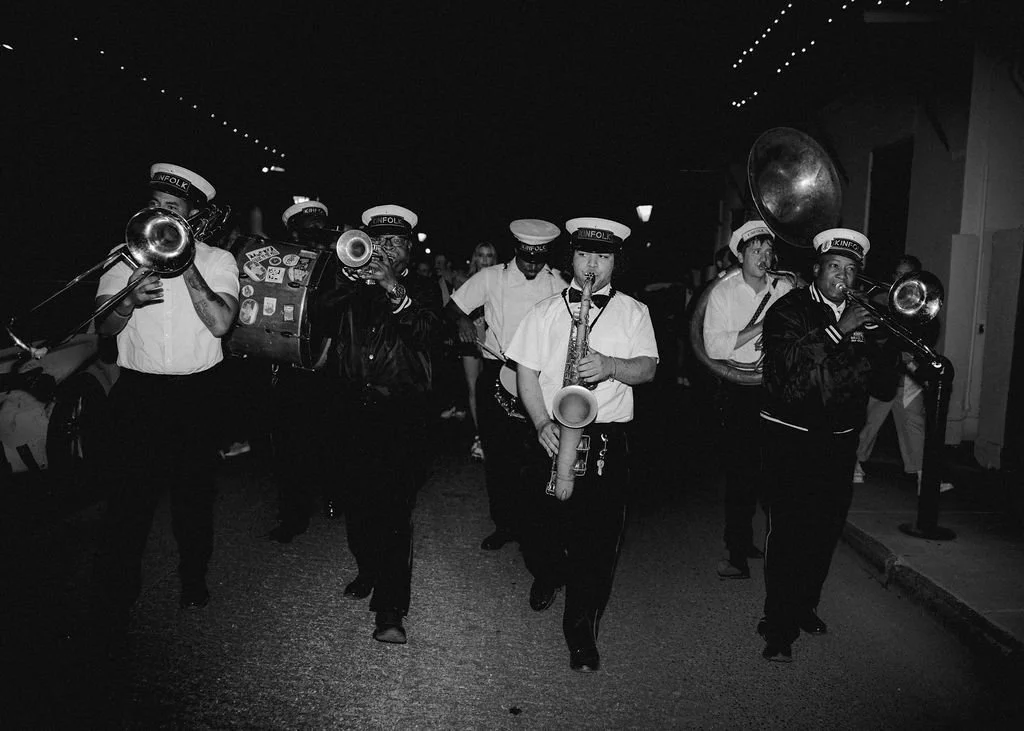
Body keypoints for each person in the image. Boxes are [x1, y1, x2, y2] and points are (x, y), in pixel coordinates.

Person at [507, 216, 658, 672]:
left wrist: (611, 365)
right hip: (550, 429)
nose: (592, 263)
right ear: (571, 257)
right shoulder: (546, 311)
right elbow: (526, 373)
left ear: (616, 263)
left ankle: (581, 630)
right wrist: (539, 423)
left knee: (597, 540)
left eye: (603, 256)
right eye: (585, 254)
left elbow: (647, 368)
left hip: (606, 435)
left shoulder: (634, 312)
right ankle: (548, 570)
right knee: (536, 525)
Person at [93, 163, 240, 617]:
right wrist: (128, 300)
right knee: (127, 502)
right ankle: (119, 591)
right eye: (154, 206)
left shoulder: (218, 260)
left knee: (192, 500)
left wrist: (186, 262)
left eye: (172, 208)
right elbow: (104, 325)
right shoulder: (124, 257)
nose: (161, 214)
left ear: (192, 217)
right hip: (139, 394)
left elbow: (220, 323)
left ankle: (193, 577)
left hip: (197, 396)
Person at [757, 228, 894, 662]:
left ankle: (804, 606)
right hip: (792, 438)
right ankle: (777, 628)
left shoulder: (865, 317)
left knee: (824, 532)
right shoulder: (789, 310)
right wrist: (840, 329)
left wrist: (886, 338)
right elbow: (785, 372)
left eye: (851, 270)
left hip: (839, 443)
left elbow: (886, 386)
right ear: (817, 269)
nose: (843, 276)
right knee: (789, 535)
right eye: (835, 266)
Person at [316, 204, 442, 644]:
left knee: (393, 512)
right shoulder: (350, 284)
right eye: (378, 240)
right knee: (357, 505)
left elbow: (426, 335)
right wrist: (347, 277)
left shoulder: (424, 289)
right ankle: (368, 569)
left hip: (401, 415)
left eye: (394, 242)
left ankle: (390, 610)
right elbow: (316, 313)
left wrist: (392, 288)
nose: (384, 249)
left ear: (409, 249)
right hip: (351, 409)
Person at [447, 219, 565, 551]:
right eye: (527, 258)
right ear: (517, 250)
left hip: (539, 380)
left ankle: (533, 526)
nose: (532, 265)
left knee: (536, 458)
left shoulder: (557, 283)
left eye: (538, 259)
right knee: (499, 458)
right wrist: (464, 322)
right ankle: (504, 524)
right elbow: (452, 308)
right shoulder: (491, 277)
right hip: (496, 371)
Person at [702, 220, 798, 580]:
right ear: (740, 255)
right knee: (741, 473)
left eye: (768, 250)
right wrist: (763, 326)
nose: (764, 256)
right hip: (739, 388)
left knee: (774, 471)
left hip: (777, 387)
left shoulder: (785, 287)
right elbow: (714, 345)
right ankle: (737, 551)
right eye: (755, 250)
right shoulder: (724, 293)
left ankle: (770, 547)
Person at [266, 200, 340, 542]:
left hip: (330, 366)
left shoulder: (337, 264)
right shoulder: (279, 265)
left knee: (333, 438)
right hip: (292, 366)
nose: (314, 237)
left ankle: (334, 496)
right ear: (293, 232)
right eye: (306, 230)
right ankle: (292, 516)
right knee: (290, 445)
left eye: (318, 229)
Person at [853, 255, 953, 494]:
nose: (899, 280)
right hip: (880, 372)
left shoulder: (923, 304)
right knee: (869, 421)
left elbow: (928, 334)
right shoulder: (879, 299)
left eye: (905, 275)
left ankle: (924, 478)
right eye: (896, 275)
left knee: (915, 422)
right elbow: (870, 338)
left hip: (908, 374)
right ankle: (853, 463)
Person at [455, 242, 498, 460]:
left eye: (489, 256)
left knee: (491, 387)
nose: (485, 260)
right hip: (470, 339)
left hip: (494, 341)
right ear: (475, 258)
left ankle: (493, 434)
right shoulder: (465, 280)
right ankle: (480, 436)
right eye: (481, 255)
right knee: (473, 387)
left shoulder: (500, 280)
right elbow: (454, 311)